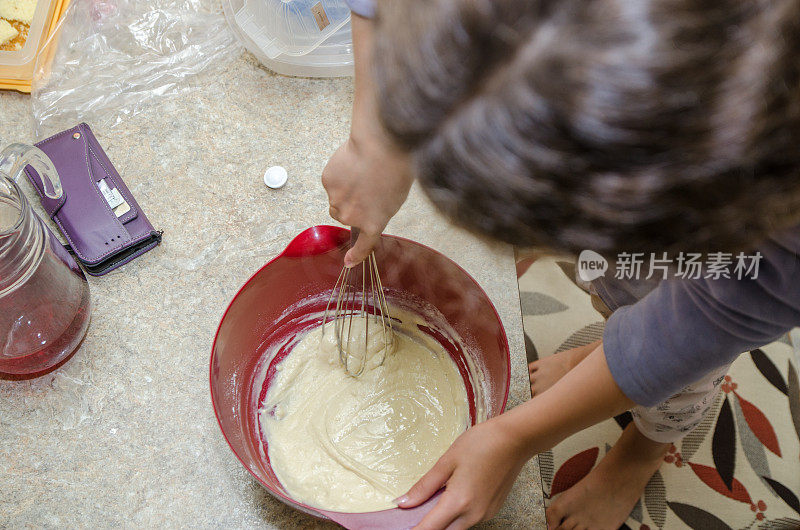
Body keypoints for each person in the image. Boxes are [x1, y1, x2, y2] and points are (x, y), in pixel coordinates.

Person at [322, 1, 800, 529]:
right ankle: (607, 345)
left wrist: (516, 437)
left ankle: (640, 453)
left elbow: (692, 330)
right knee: (614, 289)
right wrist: (376, 142)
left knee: (668, 346)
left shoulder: (775, 242)